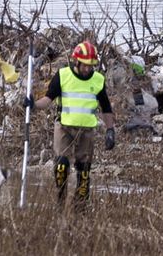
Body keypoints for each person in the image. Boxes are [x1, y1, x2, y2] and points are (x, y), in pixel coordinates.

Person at [26, 40, 115, 208]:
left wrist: (110, 130)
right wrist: (33, 105)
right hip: (64, 127)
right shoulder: (63, 76)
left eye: (91, 65)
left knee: (84, 170)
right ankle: (61, 200)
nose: (87, 69)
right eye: (85, 65)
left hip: (87, 130)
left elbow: (106, 107)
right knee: (61, 166)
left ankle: (80, 206)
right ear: (77, 62)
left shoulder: (98, 80)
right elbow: (48, 99)